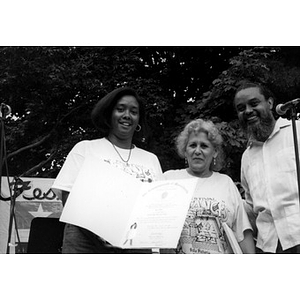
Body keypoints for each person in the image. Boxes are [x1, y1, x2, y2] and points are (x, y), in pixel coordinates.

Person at [51, 87, 163, 253]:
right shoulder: (85, 149)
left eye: (134, 111)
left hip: (135, 245)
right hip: (86, 244)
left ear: (139, 120)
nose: (127, 115)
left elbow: (158, 206)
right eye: (120, 109)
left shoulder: (150, 159)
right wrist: (101, 233)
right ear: (109, 114)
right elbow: (68, 197)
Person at [163, 118, 255, 254]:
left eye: (204, 146)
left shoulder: (226, 183)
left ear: (215, 152)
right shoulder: (169, 179)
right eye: (193, 145)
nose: (198, 151)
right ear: (185, 150)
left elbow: (242, 233)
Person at [234, 81, 300, 254]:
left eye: (254, 103)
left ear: (270, 103)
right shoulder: (247, 157)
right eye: (241, 108)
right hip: (268, 246)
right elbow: (250, 205)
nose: (247, 111)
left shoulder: (296, 131)